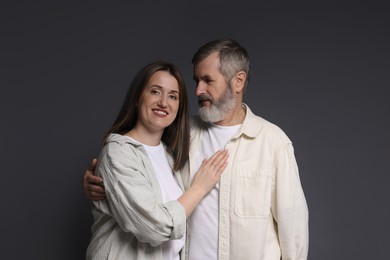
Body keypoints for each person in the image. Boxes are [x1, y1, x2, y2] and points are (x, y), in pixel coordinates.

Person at [84, 39, 309, 260]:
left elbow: (293, 229)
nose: (198, 90)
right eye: (196, 81)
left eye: (208, 80)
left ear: (238, 81)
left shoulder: (273, 142)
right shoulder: (181, 135)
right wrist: (103, 185)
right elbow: (136, 169)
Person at [85, 60, 229, 260]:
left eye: (173, 96)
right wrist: (199, 188)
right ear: (137, 98)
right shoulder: (118, 152)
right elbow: (152, 227)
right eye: (155, 91)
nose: (163, 102)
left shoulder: (170, 157)